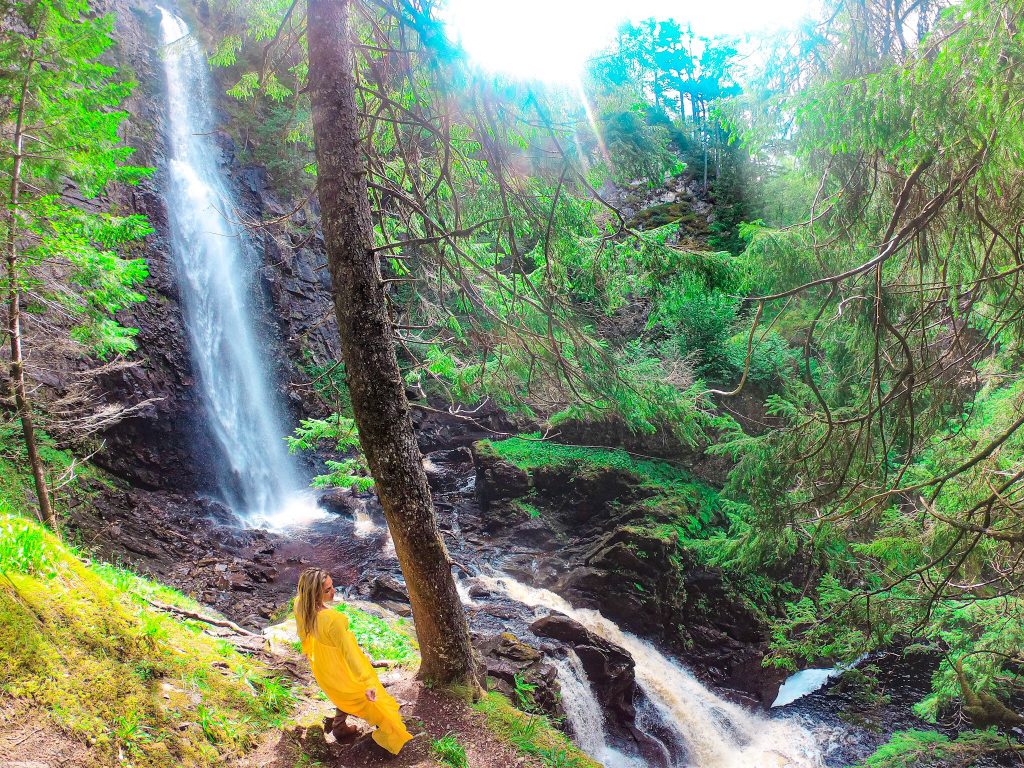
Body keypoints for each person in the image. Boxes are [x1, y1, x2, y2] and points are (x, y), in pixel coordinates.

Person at [294, 568, 413, 754]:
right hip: (341, 665)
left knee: (343, 694)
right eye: (327, 590)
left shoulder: (300, 604)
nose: (334, 592)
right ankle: (391, 735)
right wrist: (366, 681)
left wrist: (309, 652)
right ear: (313, 594)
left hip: (323, 664)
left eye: (332, 586)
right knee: (374, 700)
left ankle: (340, 726)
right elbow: (349, 653)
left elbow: (303, 633)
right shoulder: (334, 619)